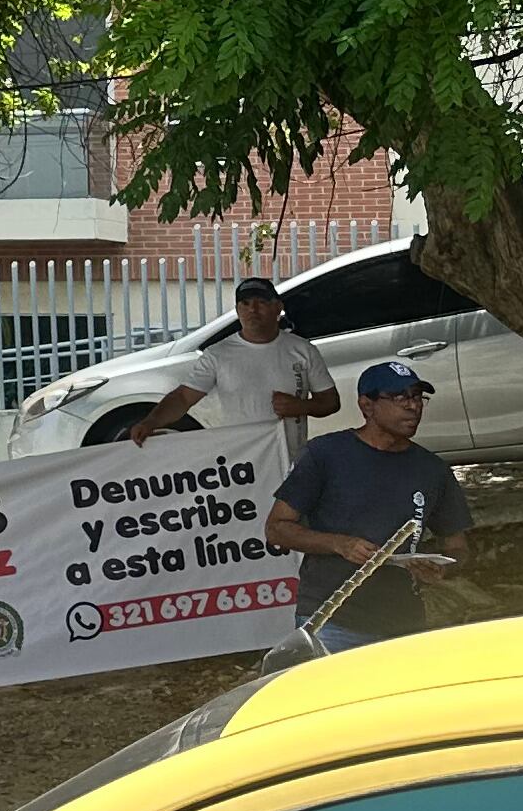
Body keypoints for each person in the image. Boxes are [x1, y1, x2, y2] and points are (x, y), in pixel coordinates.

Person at [265, 362, 473, 646]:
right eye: (400, 397)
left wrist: (442, 567)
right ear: (367, 405)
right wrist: (339, 544)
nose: (413, 406)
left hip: (404, 624)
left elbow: (458, 547)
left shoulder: (433, 470)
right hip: (331, 619)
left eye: (417, 397)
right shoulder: (325, 454)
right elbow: (277, 528)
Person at [132, 276, 340, 446]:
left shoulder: (302, 350)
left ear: (277, 308)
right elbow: (184, 397)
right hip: (240, 463)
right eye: (245, 303)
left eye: (261, 303)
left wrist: (302, 406)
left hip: (290, 459)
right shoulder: (218, 354)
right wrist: (151, 422)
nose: (253, 310)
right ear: (237, 309)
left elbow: (331, 402)